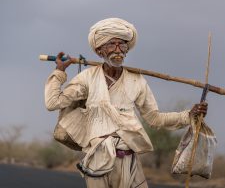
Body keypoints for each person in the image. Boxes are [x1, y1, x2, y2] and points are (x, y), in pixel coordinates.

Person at [45, 18, 208, 188]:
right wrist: (59, 72)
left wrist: (189, 115)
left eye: (122, 45)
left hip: (129, 160)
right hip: (97, 160)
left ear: (127, 49)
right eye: (111, 45)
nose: (118, 50)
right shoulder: (87, 78)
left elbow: (154, 119)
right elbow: (53, 102)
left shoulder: (137, 81)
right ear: (100, 50)